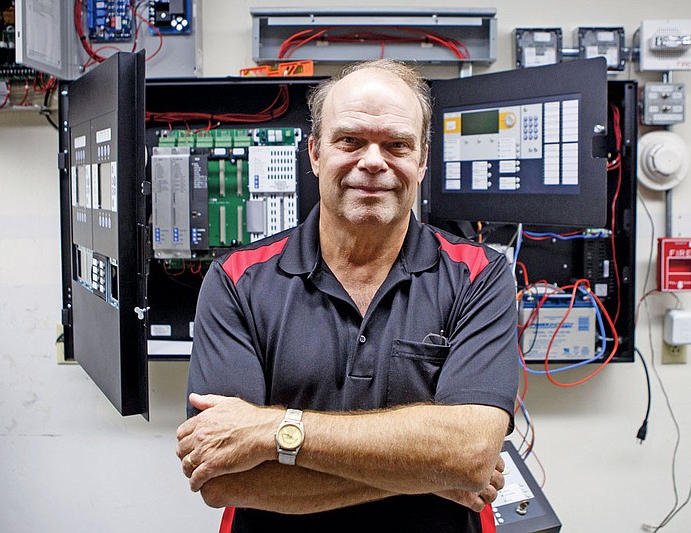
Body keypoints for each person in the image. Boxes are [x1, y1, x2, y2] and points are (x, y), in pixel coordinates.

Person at [176, 59, 519, 533]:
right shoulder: (236, 281)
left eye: (396, 144)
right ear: (316, 153)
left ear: (421, 161)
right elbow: (224, 480)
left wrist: (271, 431)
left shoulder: (481, 276)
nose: (373, 161)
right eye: (350, 140)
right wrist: (428, 470)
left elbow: (470, 455)